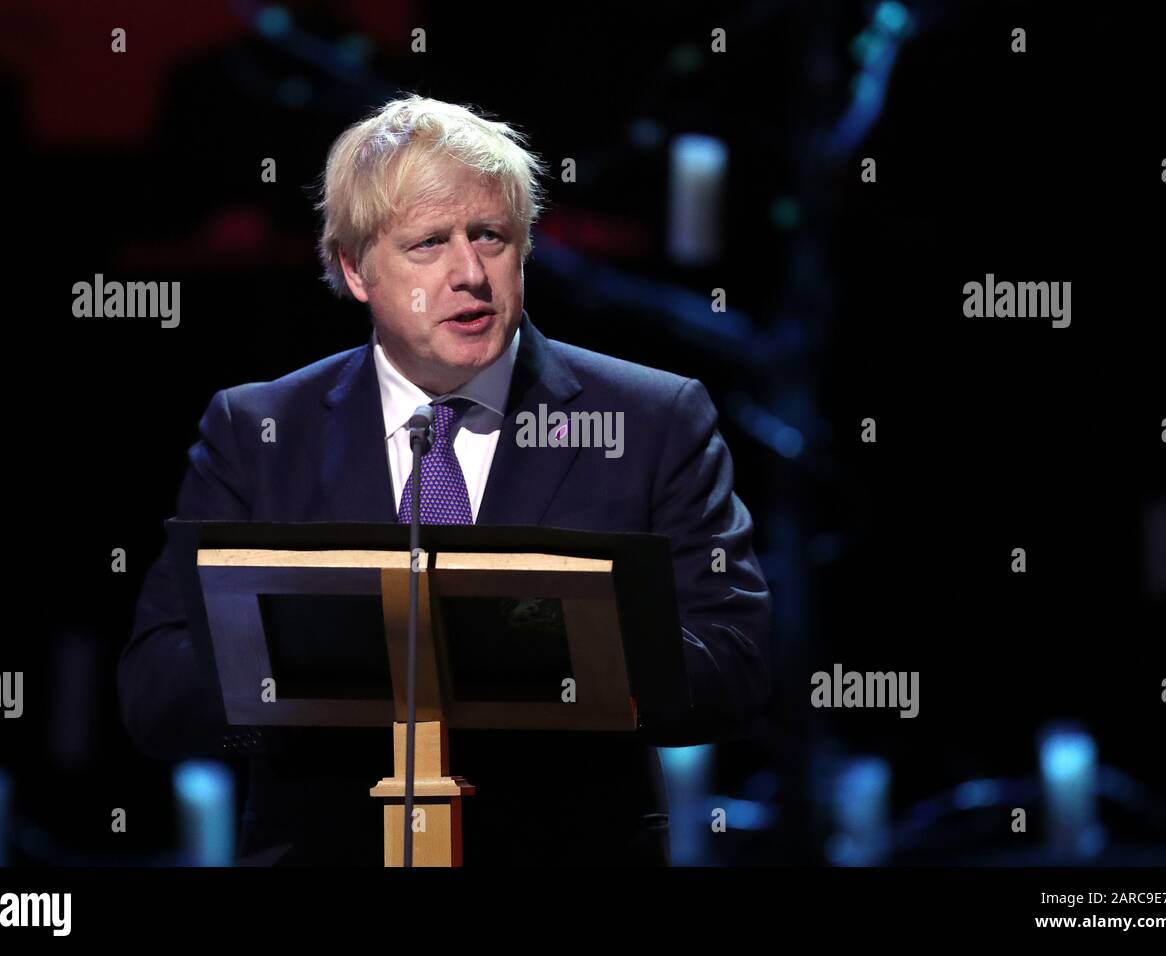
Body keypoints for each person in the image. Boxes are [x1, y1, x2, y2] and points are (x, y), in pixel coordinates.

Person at [119, 94, 772, 865]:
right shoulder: (259, 430)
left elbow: (736, 664)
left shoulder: (653, 418)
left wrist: (549, 645)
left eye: (491, 236)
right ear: (358, 270)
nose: (470, 274)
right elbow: (157, 693)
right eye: (429, 243)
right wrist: (334, 661)